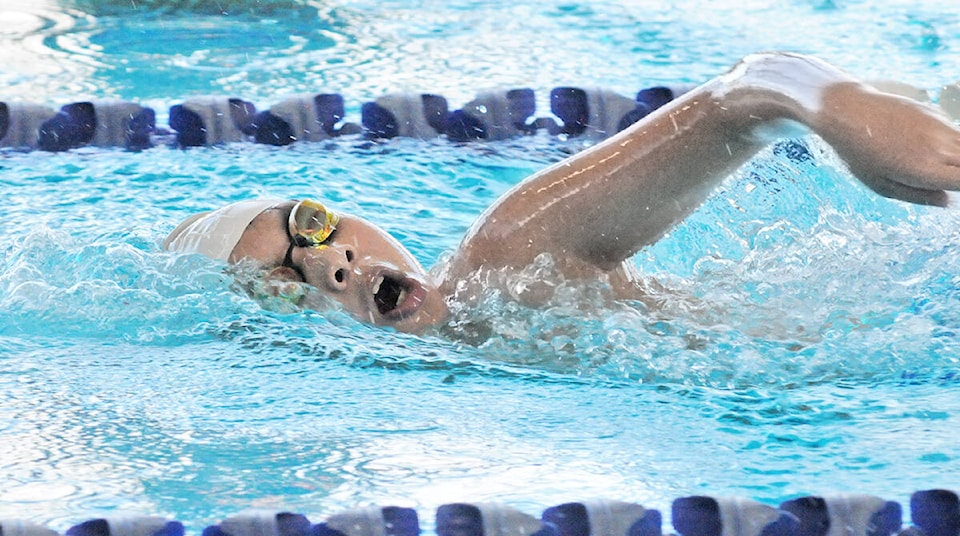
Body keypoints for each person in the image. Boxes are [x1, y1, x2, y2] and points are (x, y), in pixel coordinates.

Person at [165, 52, 960, 336]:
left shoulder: (510, 258)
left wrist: (839, 109)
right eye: (280, 286)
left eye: (313, 226)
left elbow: (752, 88)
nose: (332, 262)